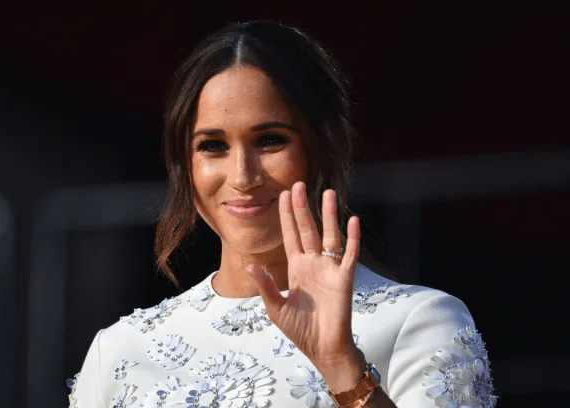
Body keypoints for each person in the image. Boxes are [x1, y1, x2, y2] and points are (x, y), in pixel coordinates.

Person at [68, 20, 497, 408]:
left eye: (270, 141)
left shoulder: (416, 324)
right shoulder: (122, 351)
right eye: (213, 146)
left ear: (320, 151)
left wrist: (340, 364)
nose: (242, 176)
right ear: (184, 166)